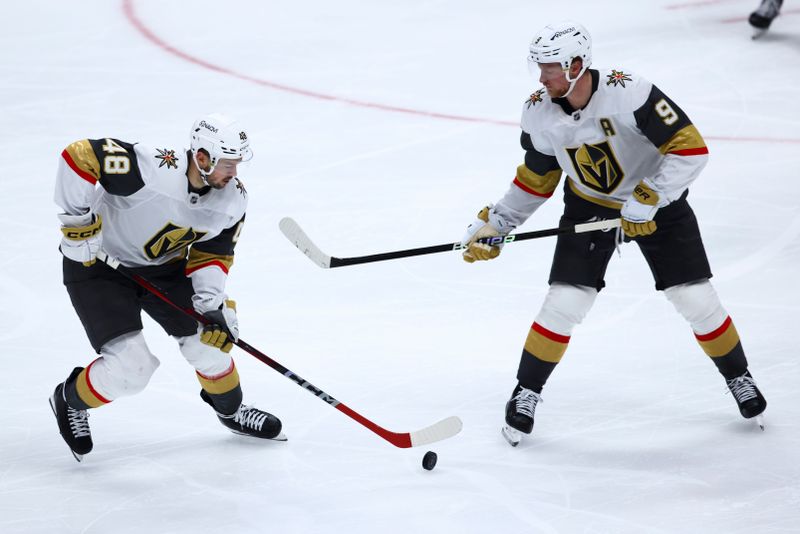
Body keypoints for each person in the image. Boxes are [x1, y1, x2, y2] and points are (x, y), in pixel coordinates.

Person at [460, 22, 768, 446]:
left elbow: (690, 148)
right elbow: (537, 178)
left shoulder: (632, 93)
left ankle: (739, 377)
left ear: (575, 65)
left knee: (695, 297)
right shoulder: (538, 111)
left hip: (661, 206)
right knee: (565, 302)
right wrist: (499, 221)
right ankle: (526, 390)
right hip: (589, 207)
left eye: (550, 68)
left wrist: (650, 197)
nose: (542, 77)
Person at [50, 113, 284, 462]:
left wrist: (211, 306)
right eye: (227, 164)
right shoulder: (152, 169)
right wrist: (78, 221)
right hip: (99, 266)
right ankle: (69, 399)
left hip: (164, 270)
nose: (234, 173)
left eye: (237, 164)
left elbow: (212, 254)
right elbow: (80, 155)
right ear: (202, 157)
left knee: (210, 346)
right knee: (133, 369)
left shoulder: (232, 200)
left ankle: (231, 411)